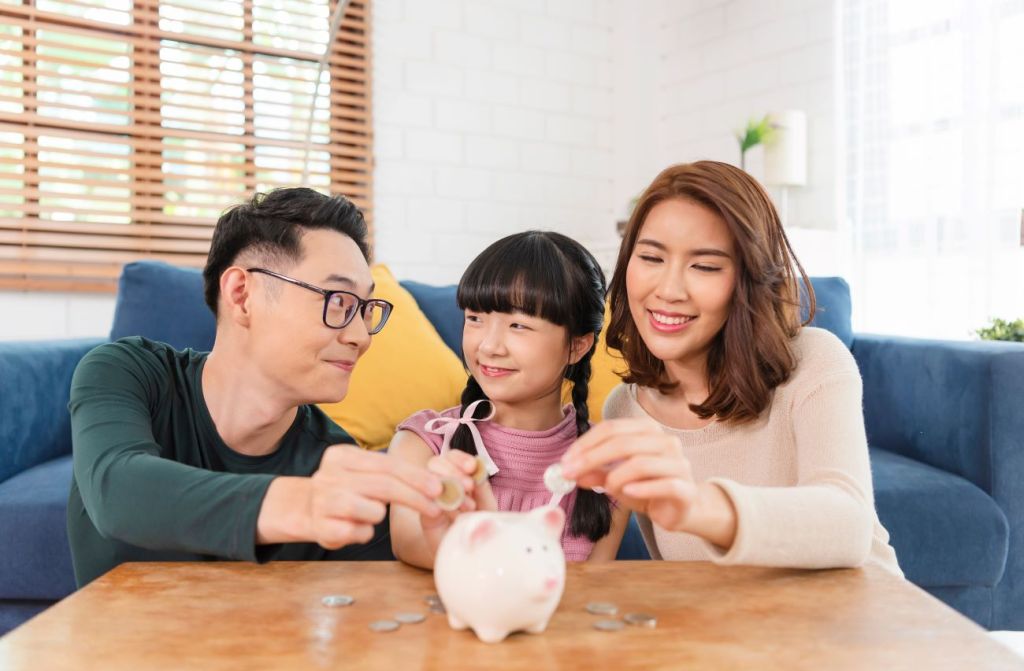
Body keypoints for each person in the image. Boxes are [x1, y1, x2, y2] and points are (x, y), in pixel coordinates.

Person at [67, 188, 445, 586]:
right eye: (338, 301)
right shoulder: (129, 373)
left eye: (365, 309)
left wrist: (445, 540)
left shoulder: (333, 463)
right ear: (242, 295)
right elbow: (118, 491)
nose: (361, 336)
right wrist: (298, 505)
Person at [559, 161, 902, 574]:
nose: (668, 290)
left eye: (704, 266)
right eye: (651, 257)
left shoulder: (814, 362)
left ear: (749, 279)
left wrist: (696, 504)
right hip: (734, 632)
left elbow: (848, 525)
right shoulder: (626, 410)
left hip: (858, 623)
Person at [389, 231, 630, 567]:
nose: (488, 346)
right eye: (475, 318)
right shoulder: (423, 442)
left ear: (577, 345)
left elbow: (595, 593)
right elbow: (408, 544)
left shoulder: (607, 468)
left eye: (518, 325)